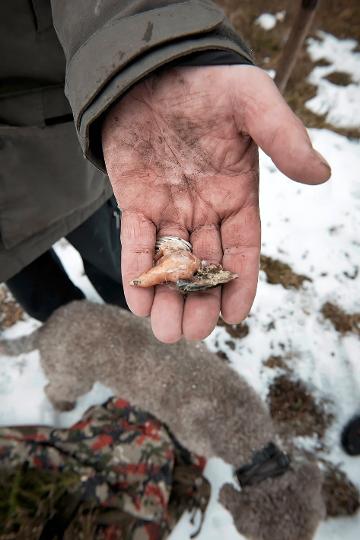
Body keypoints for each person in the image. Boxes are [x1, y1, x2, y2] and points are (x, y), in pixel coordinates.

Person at [0, 0, 331, 343]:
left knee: (115, 267)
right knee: (44, 300)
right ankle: (82, 344)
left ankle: (132, 337)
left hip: (59, 150)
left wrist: (160, 50)